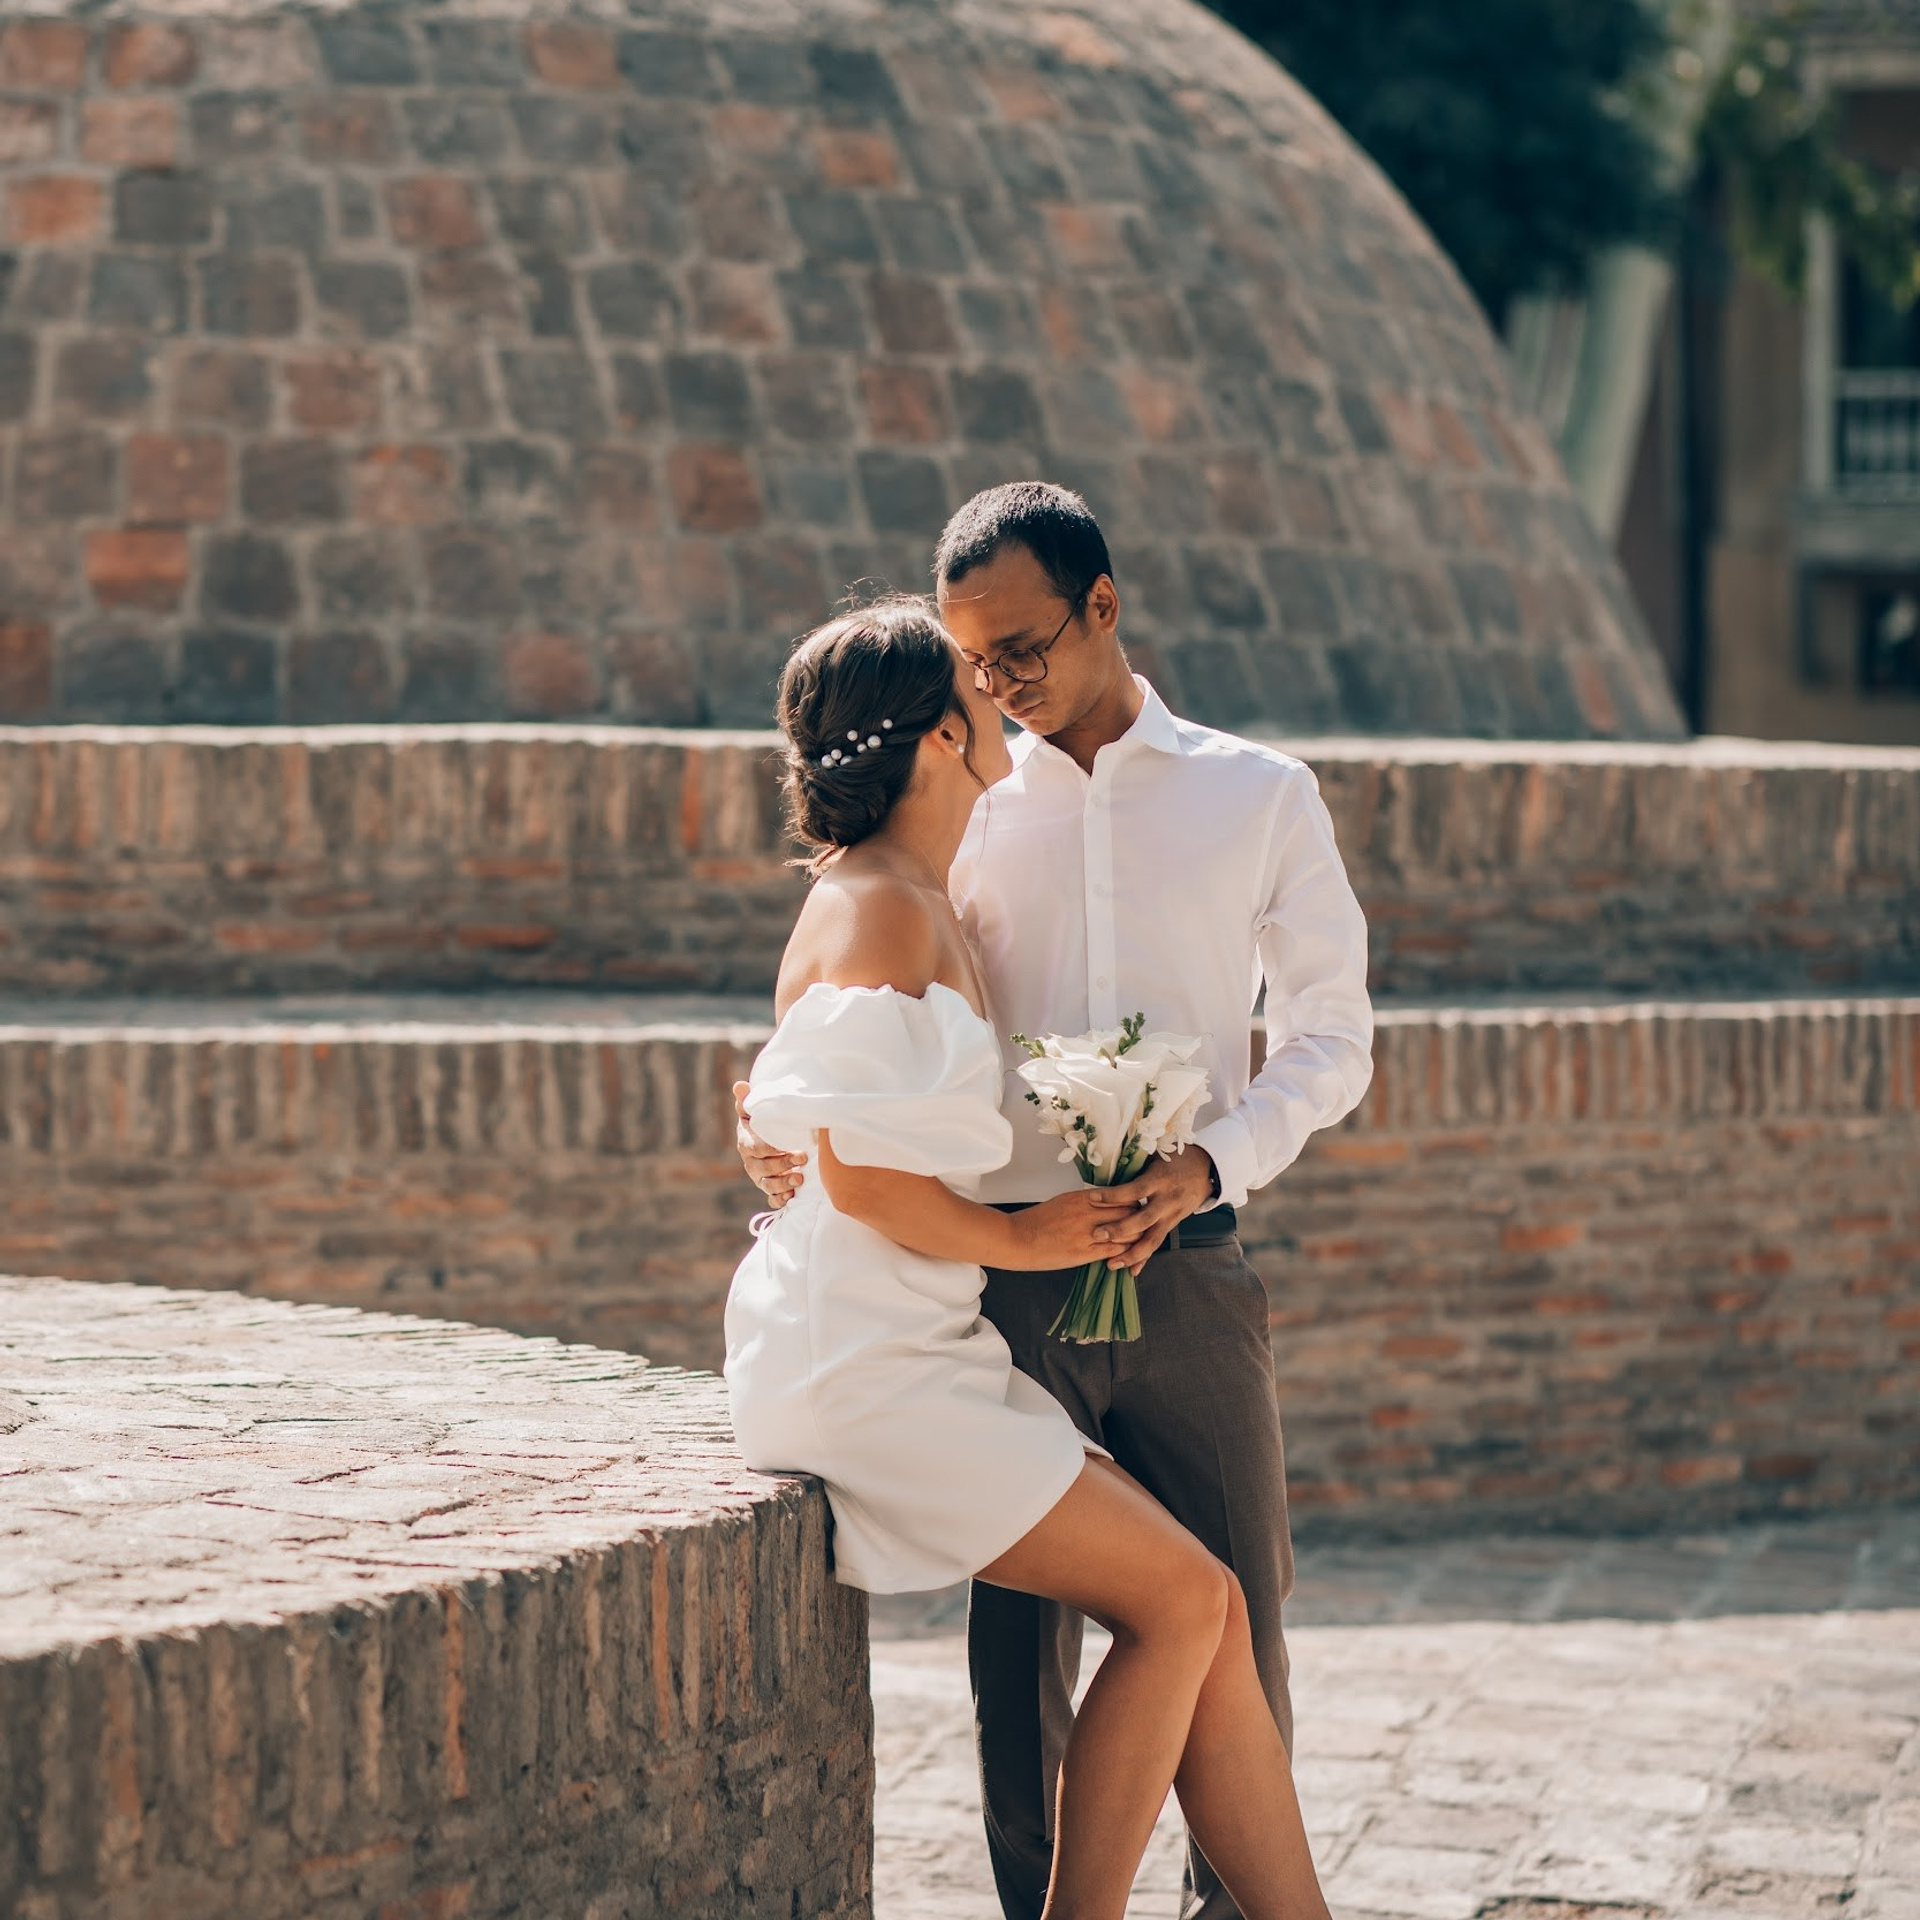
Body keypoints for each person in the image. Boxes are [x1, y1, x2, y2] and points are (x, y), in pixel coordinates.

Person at [739, 483, 1375, 1920]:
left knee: (1229, 1612)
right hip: (991, 1289)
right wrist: (783, 1119)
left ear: (1104, 606)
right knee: (1016, 1664)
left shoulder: (1257, 793)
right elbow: (852, 999)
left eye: (1021, 645)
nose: (1002, 683)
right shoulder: (958, 801)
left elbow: (1335, 1041)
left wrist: (1210, 1164)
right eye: (975, 660)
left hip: (1189, 1262)